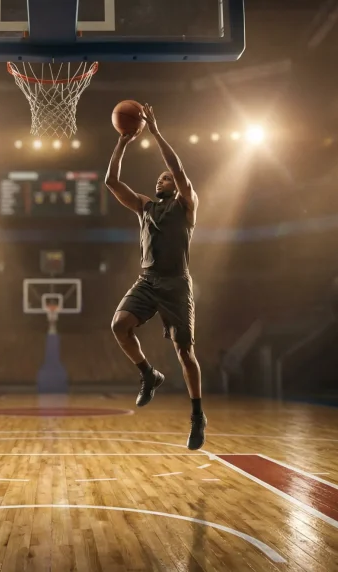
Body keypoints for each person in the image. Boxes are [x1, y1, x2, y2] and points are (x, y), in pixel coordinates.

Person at [104, 104, 206, 450]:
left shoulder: (186, 205)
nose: (160, 180)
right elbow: (111, 181)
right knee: (119, 326)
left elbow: (179, 170)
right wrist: (123, 141)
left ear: (174, 186)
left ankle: (197, 415)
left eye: (164, 178)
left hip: (176, 283)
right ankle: (148, 374)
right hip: (147, 281)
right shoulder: (145, 207)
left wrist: (156, 133)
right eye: (158, 178)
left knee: (184, 352)